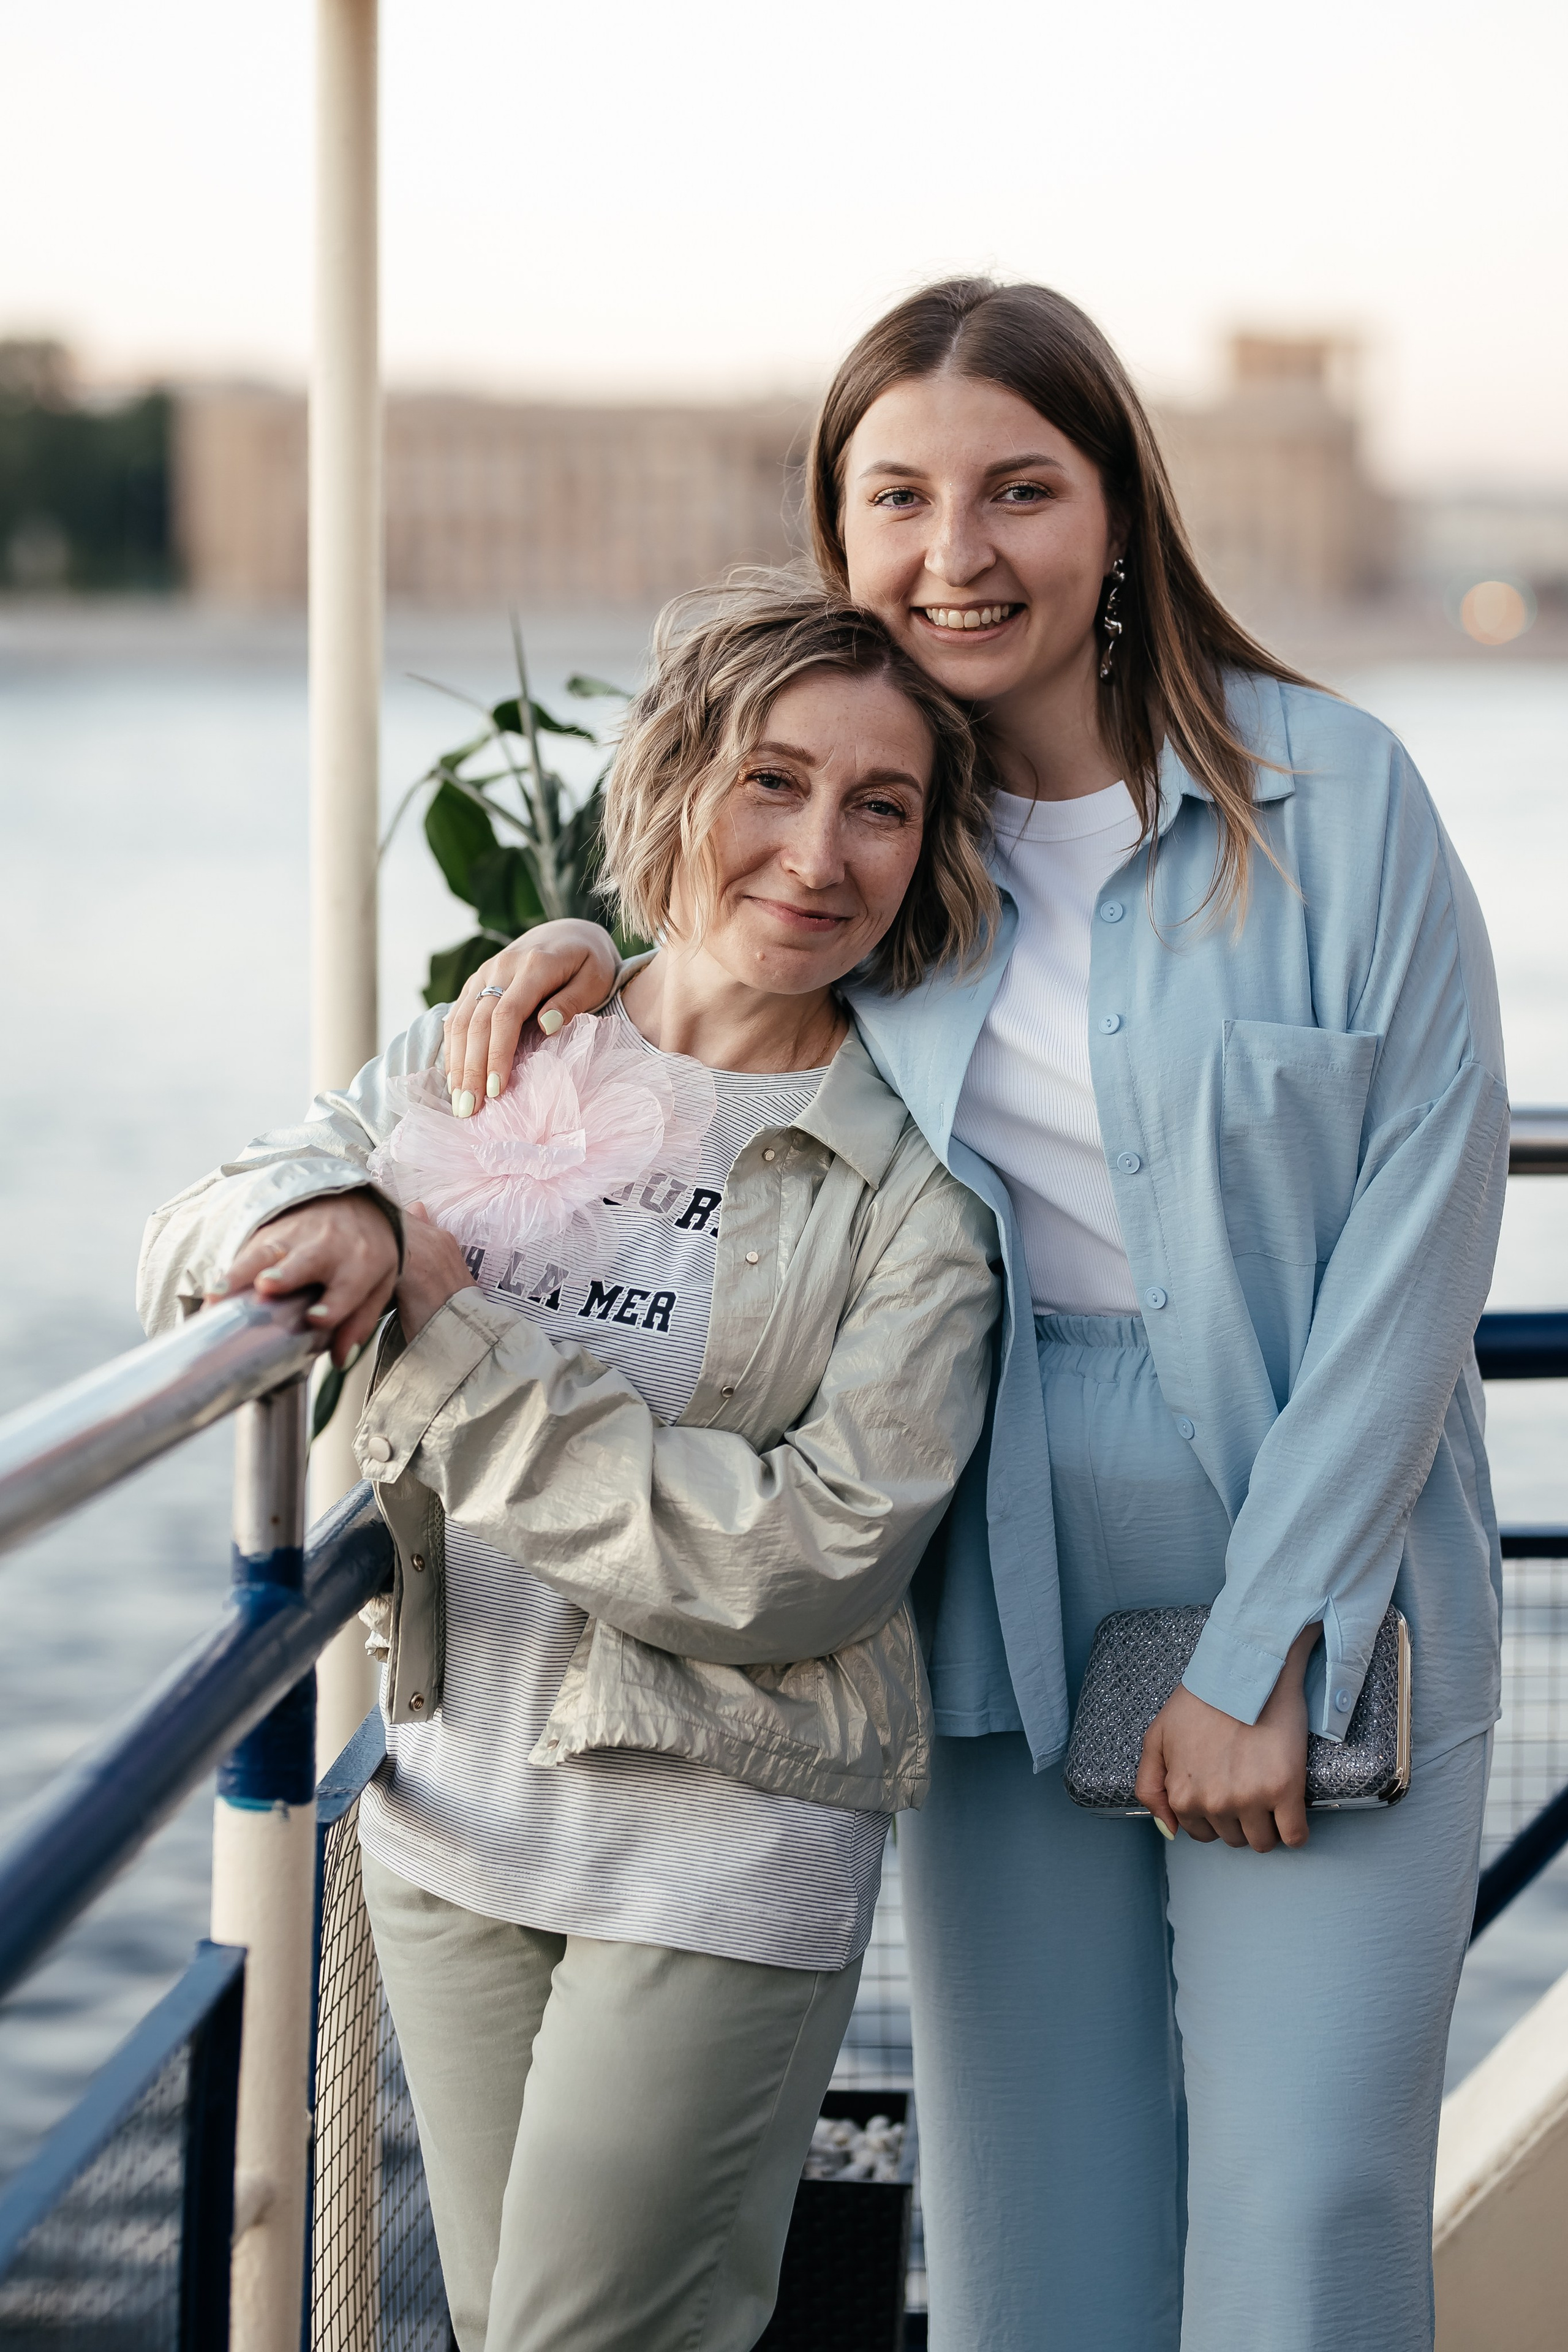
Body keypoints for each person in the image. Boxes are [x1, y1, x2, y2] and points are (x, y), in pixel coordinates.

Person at [453, 281, 1510, 2352]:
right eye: (901, 498)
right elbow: (715, 984)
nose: (961, 554)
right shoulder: (880, 845)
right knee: (1039, 2232)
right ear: (837, 533)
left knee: (1306, 2218)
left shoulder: (1340, 794)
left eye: (1022, 488)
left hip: (1321, 1542)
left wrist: (1268, 1639)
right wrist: (564, 949)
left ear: (1119, 509)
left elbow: (1422, 1228)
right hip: (984, 1577)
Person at [137, 590, 1005, 2352]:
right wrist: (333, 1211)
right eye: (770, 780)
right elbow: (197, 1242)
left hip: (722, 1855)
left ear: (932, 845)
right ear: (676, 779)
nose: (819, 854)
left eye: (882, 805)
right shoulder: (494, 1047)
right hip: (455, 1832)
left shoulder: (914, 1187)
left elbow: (807, 1563)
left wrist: (439, 1339)